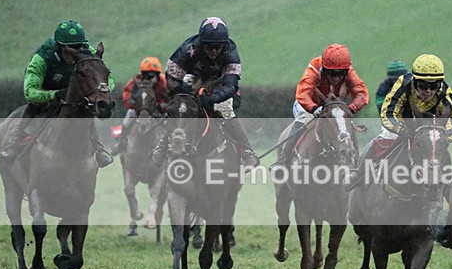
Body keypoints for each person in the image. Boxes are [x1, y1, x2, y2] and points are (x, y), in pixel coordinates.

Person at [370, 54, 452, 247]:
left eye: (433, 86)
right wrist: (403, 130)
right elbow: (387, 112)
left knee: (441, 157)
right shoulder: (403, 84)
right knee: (380, 140)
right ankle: (360, 175)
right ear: (415, 81)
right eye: (423, 86)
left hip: (431, 129)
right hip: (402, 124)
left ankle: (451, 216)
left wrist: (442, 137)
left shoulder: (445, 91)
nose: (428, 90)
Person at [0, 19, 114, 167]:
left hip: (75, 97)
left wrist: (101, 91)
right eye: (71, 49)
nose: (76, 53)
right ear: (59, 47)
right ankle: (14, 144)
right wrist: (53, 95)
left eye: (79, 47)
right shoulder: (42, 58)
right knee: (33, 106)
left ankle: (99, 149)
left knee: (86, 110)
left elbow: (108, 79)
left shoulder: (89, 53)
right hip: (47, 96)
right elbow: (30, 92)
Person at [163, 16, 259, 168]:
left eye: (218, 47)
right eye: (209, 46)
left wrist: (212, 99)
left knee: (225, 109)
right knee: (181, 107)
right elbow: (171, 77)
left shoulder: (231, 52)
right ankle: (163, 146)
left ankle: (247, 151)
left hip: (218, 82)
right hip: (192, 79)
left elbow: (230, 85)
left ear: (224, 45)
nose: (214, 51)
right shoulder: (188, 49)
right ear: (201, 44)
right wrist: (184, 93)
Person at [274, 43, 369, 169]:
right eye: (332, 73)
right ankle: (283, 161)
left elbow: (361, 92)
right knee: (303, 119)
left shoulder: (349, 70)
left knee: (345, 126)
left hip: (335, 108)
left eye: (341, 74)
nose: (337, 78)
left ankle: (355, 165)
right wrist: (314, 108)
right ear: (324, 68)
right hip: (309, 105)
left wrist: (351, 109)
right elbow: (303, 92)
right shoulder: (314, 67)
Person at [111, 56, 169, 156]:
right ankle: (121, 143)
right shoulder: (134, 82)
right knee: (127, 120)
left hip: (157, 109)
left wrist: (163, 105)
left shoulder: (164, 82)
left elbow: (170, 97)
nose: (149, 78)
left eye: (152, 75)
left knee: (169, 122)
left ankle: (170, 145)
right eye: (146, 75)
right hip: (138, 109)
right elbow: (126, 97)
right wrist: (135, 105)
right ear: (142, 74)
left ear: (158, 75)